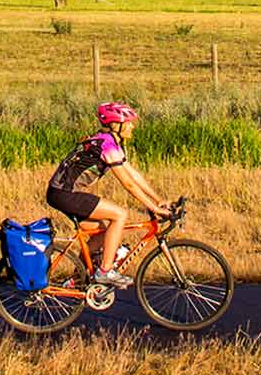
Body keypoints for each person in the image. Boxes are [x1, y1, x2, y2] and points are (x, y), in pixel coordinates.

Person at [45, 101, 170, 288]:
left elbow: (134, 175)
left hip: (61, 193)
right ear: (117, 125)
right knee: (120, 215)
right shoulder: (107, 146)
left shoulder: (110, 143)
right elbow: (128, 184)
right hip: (65, 194)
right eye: (128, 123)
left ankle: (78, 279)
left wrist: (159, 200)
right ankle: (105, 271)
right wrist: (152, 208)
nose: (133, 126)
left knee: (102, 231)